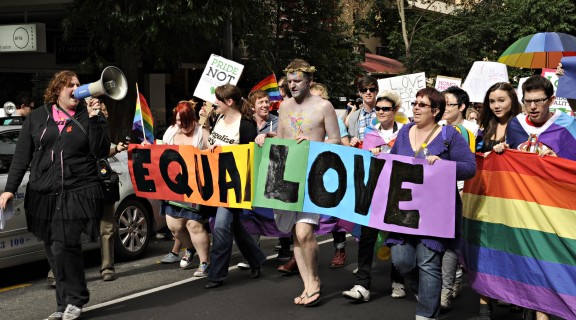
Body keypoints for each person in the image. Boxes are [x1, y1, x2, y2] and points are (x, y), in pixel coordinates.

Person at [0, 70, 111, 320]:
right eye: (70, 85)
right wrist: (9, 189)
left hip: (77, 189)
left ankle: (76, 299)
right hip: (45, 191)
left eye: (79, 84)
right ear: (57, 90)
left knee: (64, 243)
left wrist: (96, 118)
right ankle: (63, 304)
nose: (77, 88)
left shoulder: (88, 113)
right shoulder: (39, 116)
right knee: (52, 248)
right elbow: (21, 156)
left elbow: (100, 149)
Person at [386, 87, 476, 320]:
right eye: (415, 103)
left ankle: (426, 314)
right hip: (404, 209)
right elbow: (393, 162)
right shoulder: (405, 132)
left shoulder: (450, 136)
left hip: (435, 210)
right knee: (402, 260)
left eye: (422, 104)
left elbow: (470, 168)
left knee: (428, 262)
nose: (415, 107)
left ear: (436, 111)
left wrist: (445, 166)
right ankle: (424, 292)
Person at [273, 58, 341, 306]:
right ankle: (307, 284)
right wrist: (265, 139)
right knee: (295, 234)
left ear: (309, 80)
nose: (292, 85)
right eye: (289, 81)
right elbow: (280, 139)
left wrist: (314, 145)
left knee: (304, 231)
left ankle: (314, 283)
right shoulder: (283, 107)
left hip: (314, 174)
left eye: (297, 80)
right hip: (288, 175)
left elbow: (336, 140)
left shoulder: (324, 106)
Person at [342, 90, 407, 302]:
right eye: (378, 108)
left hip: (397, 193)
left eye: (385, 109)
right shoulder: (370, 133)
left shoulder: (405, 133)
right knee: (367, 238)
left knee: (396, 237)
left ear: (395, 111)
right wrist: (357, 148)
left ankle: (398, 280)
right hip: (372, 193)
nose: (380, 112)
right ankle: (362, 284)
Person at [203, 84, 267, 289]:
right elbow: (211, 145)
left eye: (218, 101)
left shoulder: (246, 124)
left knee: (221, 226)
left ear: (229, 102)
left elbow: (249, 157)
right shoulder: (219, 119)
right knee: (235, 226)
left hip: (236, 184)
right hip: (218, 182)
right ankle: (256, 259)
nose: (215, 104)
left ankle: (216, 275)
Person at [474, 82, 522, 320]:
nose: (496, 105)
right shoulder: (485, 129)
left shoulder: (521, 127)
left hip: (514, 202)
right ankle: (485, 304)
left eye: (501, 100)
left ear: (512, 100)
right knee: (485, 250)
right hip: (488, 200)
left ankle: (516, 296)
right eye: (492, 101)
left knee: (512, 250)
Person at [157, 100, 212, 277]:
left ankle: (205, 262)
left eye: (186, 121)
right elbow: (161, 152)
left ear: (194, 120)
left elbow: (211, 154)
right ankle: (190, 248)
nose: (183, 125)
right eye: (179, 121)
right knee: (174, 225)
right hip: (173, 185)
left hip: (195, 187)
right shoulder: (171, 131)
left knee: (193, 224)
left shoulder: (201, 132)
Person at [439, 86, 478, 310]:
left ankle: (452, 281)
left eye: (449, 104)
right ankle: (451, 280)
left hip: (461, 190)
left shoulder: (468, 131)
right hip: (439, 192)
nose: (444, 108)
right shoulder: (439, 129)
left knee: (453, 239)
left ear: (462, 107)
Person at [310, 82, 349, 268]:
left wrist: (322, 142)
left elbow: (345, 145)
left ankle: (340, 248)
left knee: (334, 213)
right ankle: (298, 253)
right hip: (310, 173)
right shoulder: (304, 120)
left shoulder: (335, 119)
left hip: (331, 172)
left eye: (320, 98)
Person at [345, 76, 379, 145]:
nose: (368, 92)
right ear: (360, 93)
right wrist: (352, 141)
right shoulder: (353, 117)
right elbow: (349, 140)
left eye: (372, 89)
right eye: (364, 90)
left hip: (380, 155)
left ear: (377, 91)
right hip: (361, 154)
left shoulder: (385, 113)